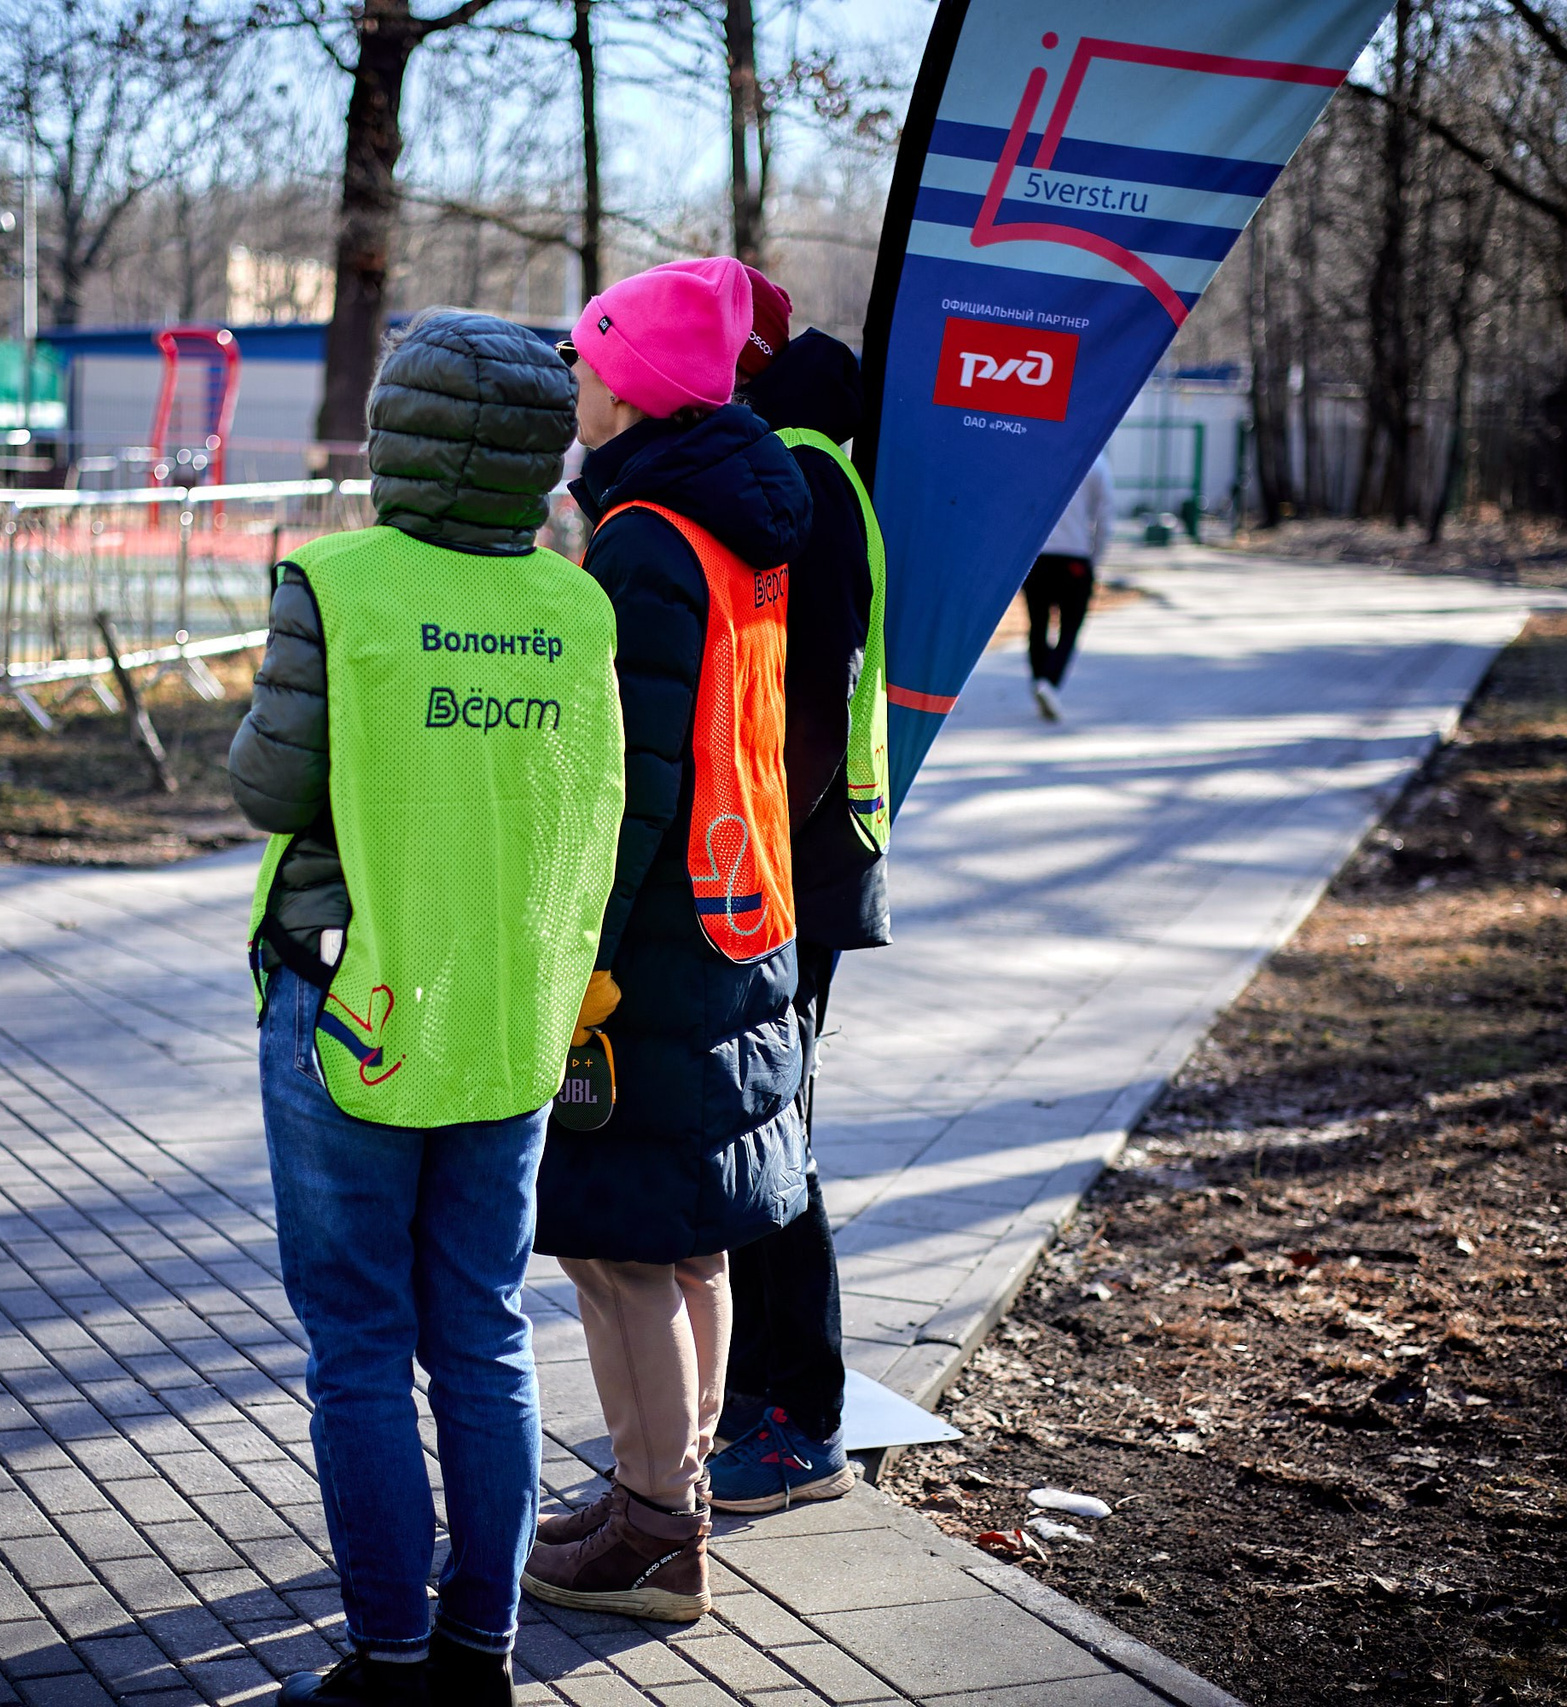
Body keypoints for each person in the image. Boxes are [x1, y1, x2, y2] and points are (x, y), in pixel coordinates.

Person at [229, 311, 626, 1707]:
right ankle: (481, 1654)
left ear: (394, 434)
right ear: (540, 450)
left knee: (357, 1342)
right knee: (484, 1329)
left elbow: (269, 788)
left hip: (354, 1001)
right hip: (508, 1010)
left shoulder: (337, 583)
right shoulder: (578, 605)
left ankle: (391, 1658)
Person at [519, 257, 814, 1622]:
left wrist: (576, 941)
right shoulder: (736, 515)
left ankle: (653, 1531)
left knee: (621, 1245)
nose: (575, 383)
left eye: (587, 361)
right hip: (738, 902)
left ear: (631, 383)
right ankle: (667, 1491)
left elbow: (627, 774)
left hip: (655, 933)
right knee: (690, 1242)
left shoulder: (645, 532)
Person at [707, 300, 894, 1514]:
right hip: (792, 862)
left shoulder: (805, 474)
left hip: (796, 871)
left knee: (774, 1132)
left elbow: (813, 703)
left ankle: (801, 1419)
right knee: (755, 1125)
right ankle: (751, 1395)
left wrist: (750, 862)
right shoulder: (797, 461)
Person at [1024, 449, 1113, 720]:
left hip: (1037, 556)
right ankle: (1049, 682)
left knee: (1037, 624)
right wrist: (1094, 560)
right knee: (1070, 628)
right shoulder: (1096, 462)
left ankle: (1039, 679)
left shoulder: (1040, 458)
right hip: (1074, 557)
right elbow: (1105, 517)